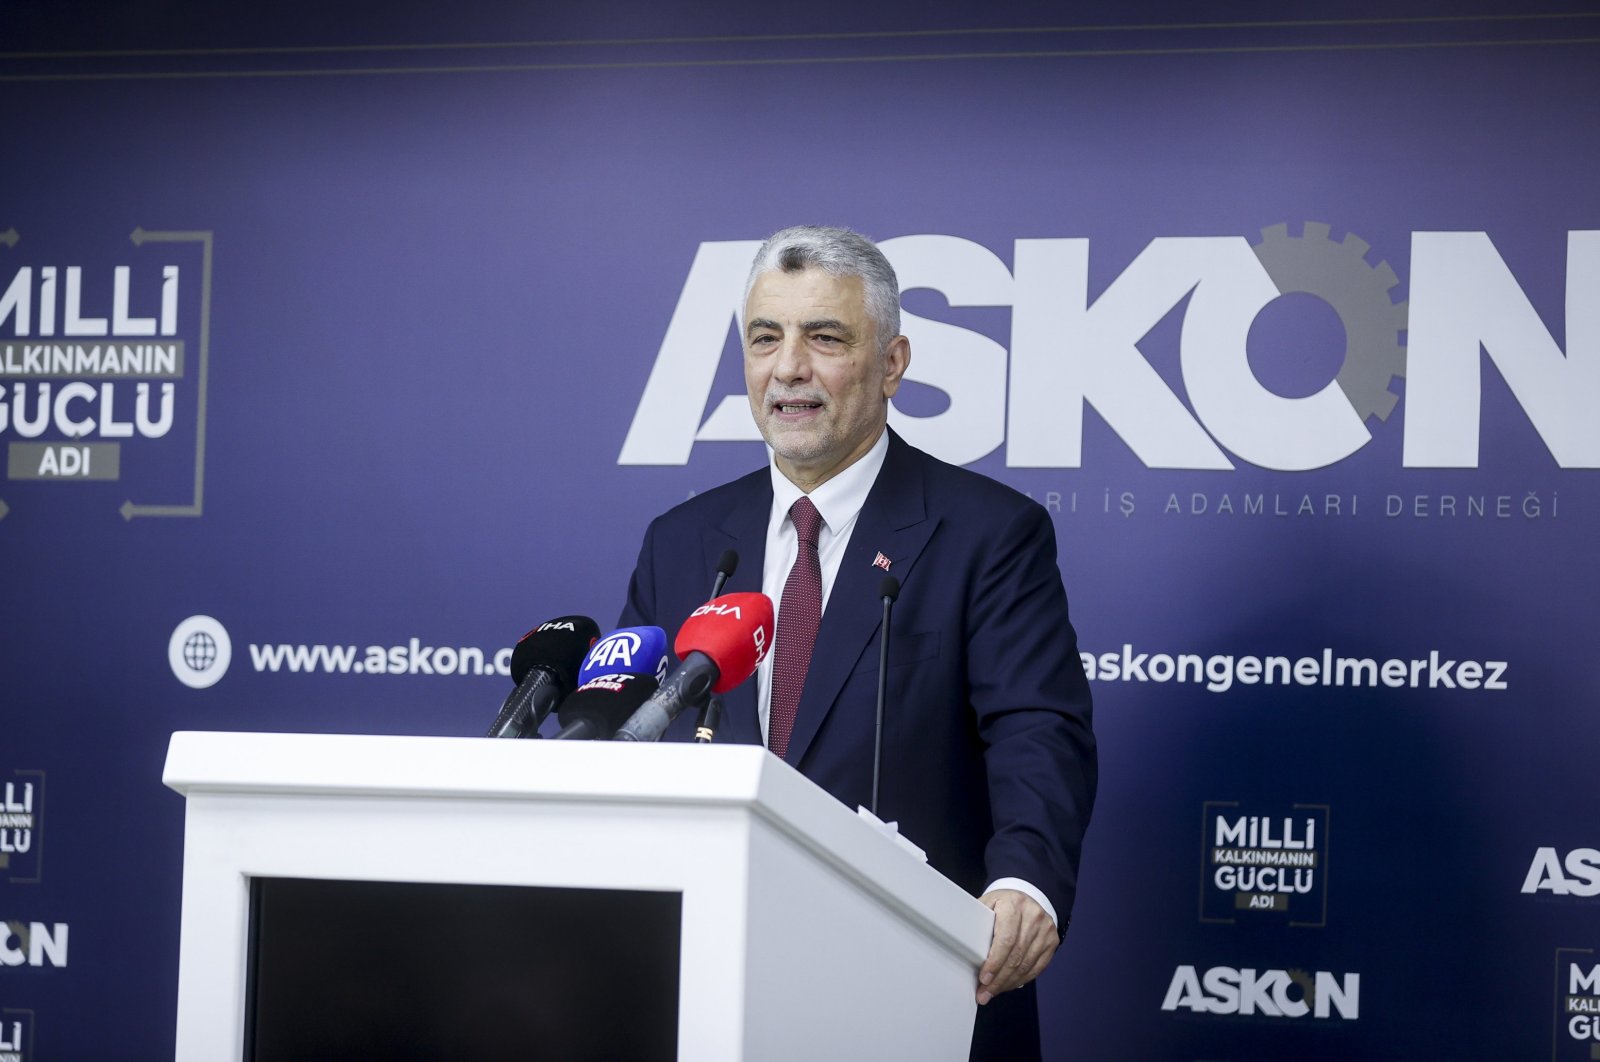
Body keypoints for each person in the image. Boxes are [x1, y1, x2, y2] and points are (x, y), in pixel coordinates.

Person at [618, 225, 1096, 1060]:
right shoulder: (685, 541)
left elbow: (1037, 731)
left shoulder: (989, 534)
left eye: (825, 338)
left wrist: (1023, 881)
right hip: (709, 987)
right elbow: (633, 739)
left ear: (893, 363)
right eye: (766, 339)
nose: (789, 368)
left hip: (910, 987)